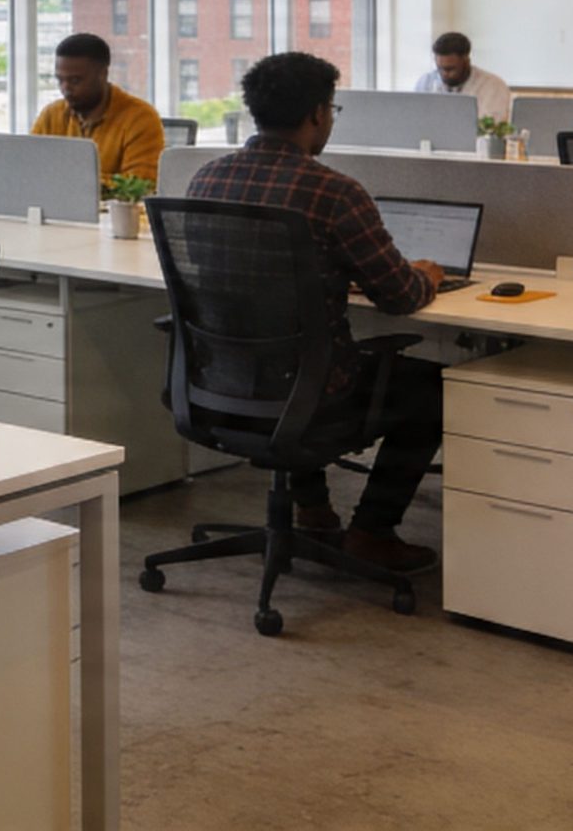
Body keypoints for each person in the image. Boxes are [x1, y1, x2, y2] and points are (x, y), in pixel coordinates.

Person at [184, 52, 446, 573]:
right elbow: (398, 296)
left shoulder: (206, 180)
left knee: (296, 357)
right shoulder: (335, 192)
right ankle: (372, 531)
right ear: (318, 115)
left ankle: (313, 510)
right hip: (308, 390)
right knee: (432, 387)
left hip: (222, 382)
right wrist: (428, 275)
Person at [30, 32, 165, 189]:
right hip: (57, 210)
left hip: (114, 213)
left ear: (103, 74)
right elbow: (31, 169)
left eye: (75, 80)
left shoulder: (141, 118)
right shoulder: (52, 115)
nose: (65, 89)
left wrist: (72, 181)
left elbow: (140, 185)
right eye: (60, 80)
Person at [411, 30, 512, 125]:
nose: (444, 74)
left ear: (466, 60)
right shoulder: (426, 82)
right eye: (440, 68)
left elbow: (490, 129)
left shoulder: (492, 86)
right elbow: (416, 120)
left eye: (450, 69)